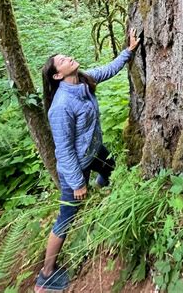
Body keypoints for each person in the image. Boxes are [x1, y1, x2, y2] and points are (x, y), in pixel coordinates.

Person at [34, 29, 140, 292]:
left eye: (66, 56)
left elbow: (107, 70)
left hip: (94, 152)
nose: (69, 58)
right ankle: (46, 275)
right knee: (67, 217)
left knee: (111, 169)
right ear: (57, 75)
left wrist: (128, 51)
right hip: (76, 167)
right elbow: (64, 151)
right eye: (63, 60)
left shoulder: (81, 80)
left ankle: (102, 197)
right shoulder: (60, 107)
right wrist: (78, 183)